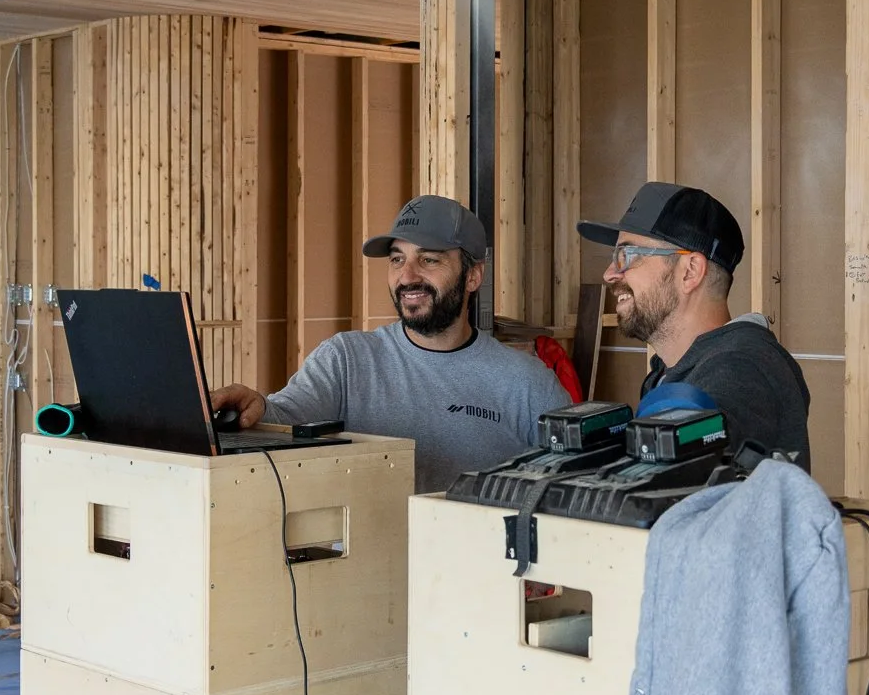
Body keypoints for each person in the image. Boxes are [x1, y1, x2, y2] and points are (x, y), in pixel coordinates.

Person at [212, 195, 570, 492]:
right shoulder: (346, 360)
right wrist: (255, 407)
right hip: (365, 566)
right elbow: (286, 419)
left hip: (472, 571)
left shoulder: (527, 383)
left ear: (473, 276)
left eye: (429, 259)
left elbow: (571, 485)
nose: (407, 276)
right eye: (397, 259)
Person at [577, 181, 811, 469]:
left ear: (690, 272)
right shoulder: (672, 371)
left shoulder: (743, 368)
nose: (609, 274)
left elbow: (695, 458)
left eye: (627, 256)